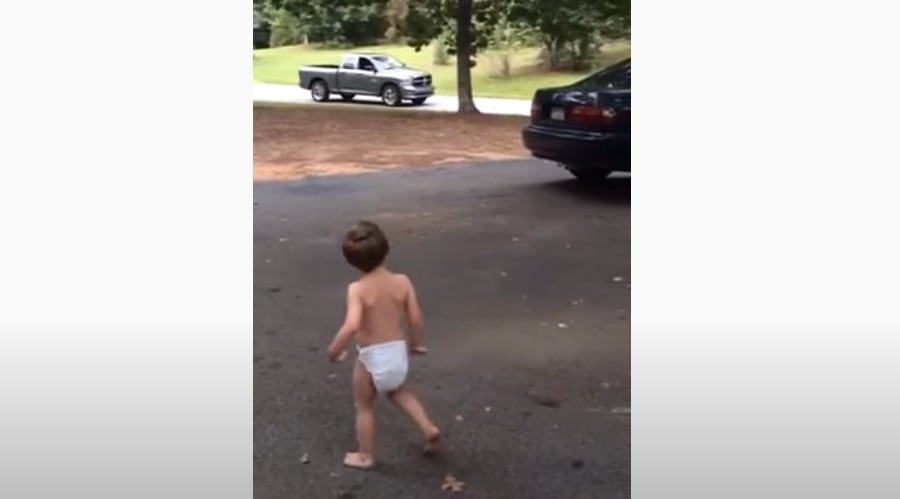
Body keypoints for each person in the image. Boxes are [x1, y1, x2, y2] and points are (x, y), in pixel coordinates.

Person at [327, 220, 441, 470]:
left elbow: (352, 325)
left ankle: (365, 455)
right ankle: (428, 427)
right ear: (385, 249)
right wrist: (415, 344)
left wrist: (335, 350)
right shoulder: (403, 281)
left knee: (363, 406)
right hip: (397, 353)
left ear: (350, 260)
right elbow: (416, 319)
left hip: (372, 357)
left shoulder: (357, 289)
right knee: (398, 391)